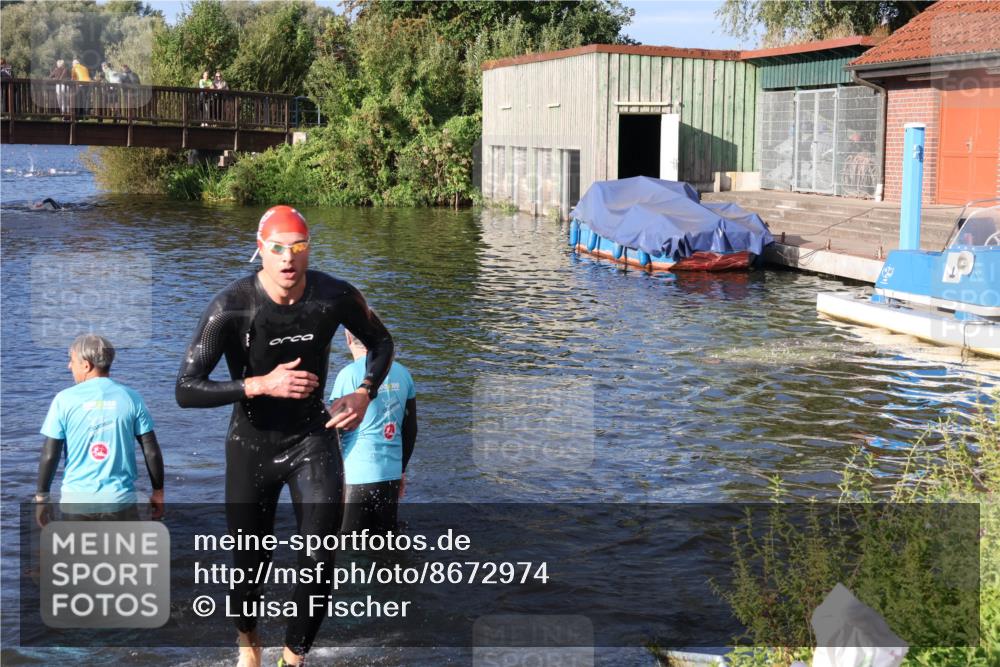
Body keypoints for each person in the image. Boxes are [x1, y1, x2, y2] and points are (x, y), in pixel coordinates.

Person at [175, 205, 393, 667]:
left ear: (309, 250)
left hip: (312, 438)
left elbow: (381, 342)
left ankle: (292, 660)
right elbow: (186, 389)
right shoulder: (232, 306)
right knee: (250, 565)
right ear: (261, 250)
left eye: (298, 247)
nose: (288, 258)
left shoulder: (334, 295)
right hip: (251, 445)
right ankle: (248, 641)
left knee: (320, 557)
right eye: (277, 249)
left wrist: (364, 392)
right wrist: (259, 384)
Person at [35, 334, 165, 526]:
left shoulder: (63, 400)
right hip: (120, 501)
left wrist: (42, 498)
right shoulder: (131, 398)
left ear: (86, 365)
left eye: (72, 361)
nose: (69, 366)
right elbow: (151, 450)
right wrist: (158, 493)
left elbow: (50, 455)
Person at [332, 327, 416, 535]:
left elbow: (335, 432)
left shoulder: (348, 374)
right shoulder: (403, 373)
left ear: (348, 338)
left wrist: (331, 480)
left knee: (349, 545)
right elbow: (410, 430)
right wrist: (401, 470)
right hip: (390, 475)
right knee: (385, 542)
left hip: (355, 476)